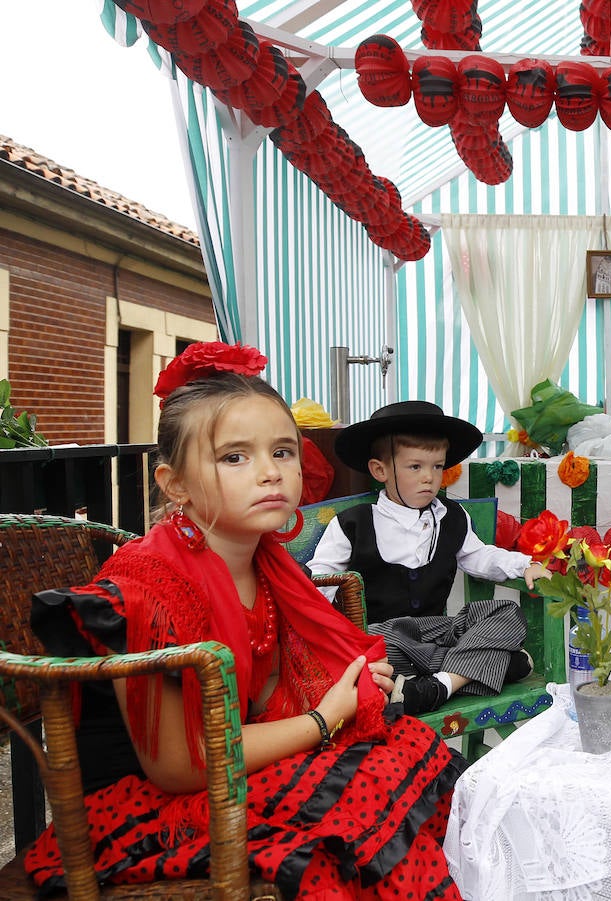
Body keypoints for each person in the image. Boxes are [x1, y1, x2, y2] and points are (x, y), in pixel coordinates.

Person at [24, 342, 463, 898]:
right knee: (364, 799)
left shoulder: (266, 566)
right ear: (174, 484)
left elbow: (267, 694)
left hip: (229, 770)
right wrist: (326, 718)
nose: (269, 473)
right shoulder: (151, 587)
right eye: (234, 457)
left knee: (411, 752)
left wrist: (346, 685)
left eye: (282, 451)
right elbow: (179, 768)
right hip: (152, 809)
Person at [308, 400, 547, 715]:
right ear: (380, 470)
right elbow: (319, 580)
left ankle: (436, 686)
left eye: (437, 466)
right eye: (415, 467)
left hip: (437, 631)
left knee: (505, 612)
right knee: (370, 652)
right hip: (383, 636)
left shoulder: (451, 517)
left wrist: (523, 563)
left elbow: (480, 557)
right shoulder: (352, 524)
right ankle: (490, 664)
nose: (429, 478)